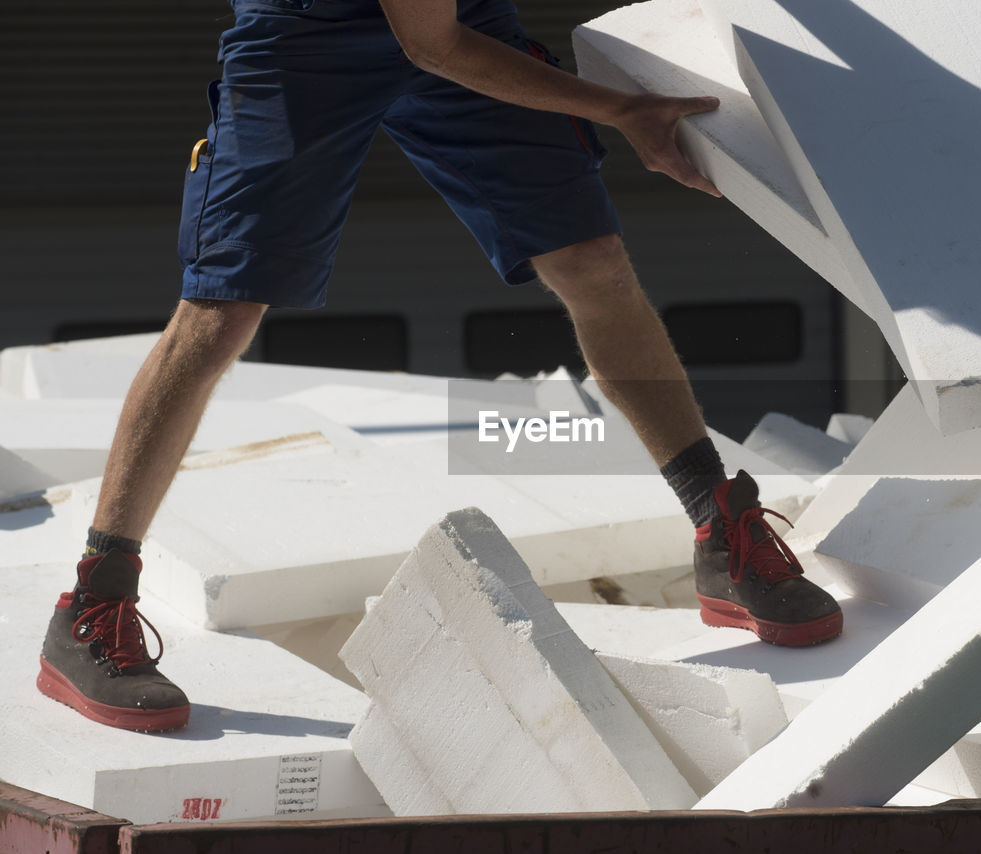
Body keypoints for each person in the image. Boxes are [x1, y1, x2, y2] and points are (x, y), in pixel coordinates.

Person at [36, 0, 842, 733]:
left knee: (596, 267)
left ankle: (718, 533)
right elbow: (434, 48)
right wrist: (624, 110)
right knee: (219, 315)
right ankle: (93, 604)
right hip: (308, 40)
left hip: (460, 22)